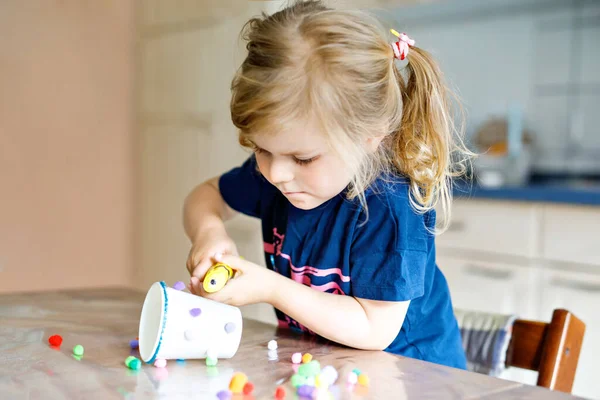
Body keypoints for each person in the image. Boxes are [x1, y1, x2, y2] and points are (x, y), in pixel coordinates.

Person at [183, 0, 471, 369]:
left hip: (414, 377)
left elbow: (373, 328)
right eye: (261, 149)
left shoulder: (392, 206)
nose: (275, 173)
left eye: (303, 158)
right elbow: (205, 196)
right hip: (330, 369)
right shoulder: (280, 174)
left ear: (370, 135)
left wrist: (270, 287)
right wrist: (209, 232)